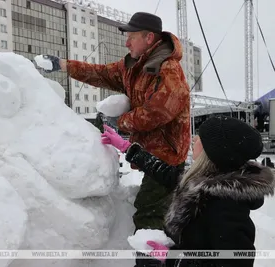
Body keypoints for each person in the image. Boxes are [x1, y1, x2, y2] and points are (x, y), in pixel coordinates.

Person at [37, 12, 190, 237]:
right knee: (155, 214)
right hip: (150, 153)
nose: (126, 42)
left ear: (149, 38)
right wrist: (62, 65)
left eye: (132, 37)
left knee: (150, 217)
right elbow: (100, 73)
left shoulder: (167, 69)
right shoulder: (133, 67)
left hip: (166, 157)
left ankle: (152, 260)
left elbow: (158, 111)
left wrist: (119, 122)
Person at [101, 115, 275, 267]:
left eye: (201, 137)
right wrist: (127, 147)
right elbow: (167, 173)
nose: (194, 138)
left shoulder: (226, 207)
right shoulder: (206, 181)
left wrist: (172, 259)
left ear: (213, 153)